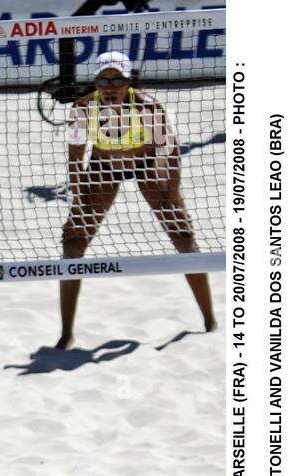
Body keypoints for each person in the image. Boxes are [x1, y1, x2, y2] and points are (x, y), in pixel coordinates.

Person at [57, 51, 216, 349]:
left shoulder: (148, 107)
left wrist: (170, 192)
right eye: (103, 80)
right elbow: (75, 159)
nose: (109, 86)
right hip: (104, 166)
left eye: (116, 79)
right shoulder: (83, 108)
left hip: (147, 164)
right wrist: (76, 201)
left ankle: (209, 320)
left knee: (182, 235)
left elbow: (169, 151)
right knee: (73, 242)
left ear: (129, 81)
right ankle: (66, 334)